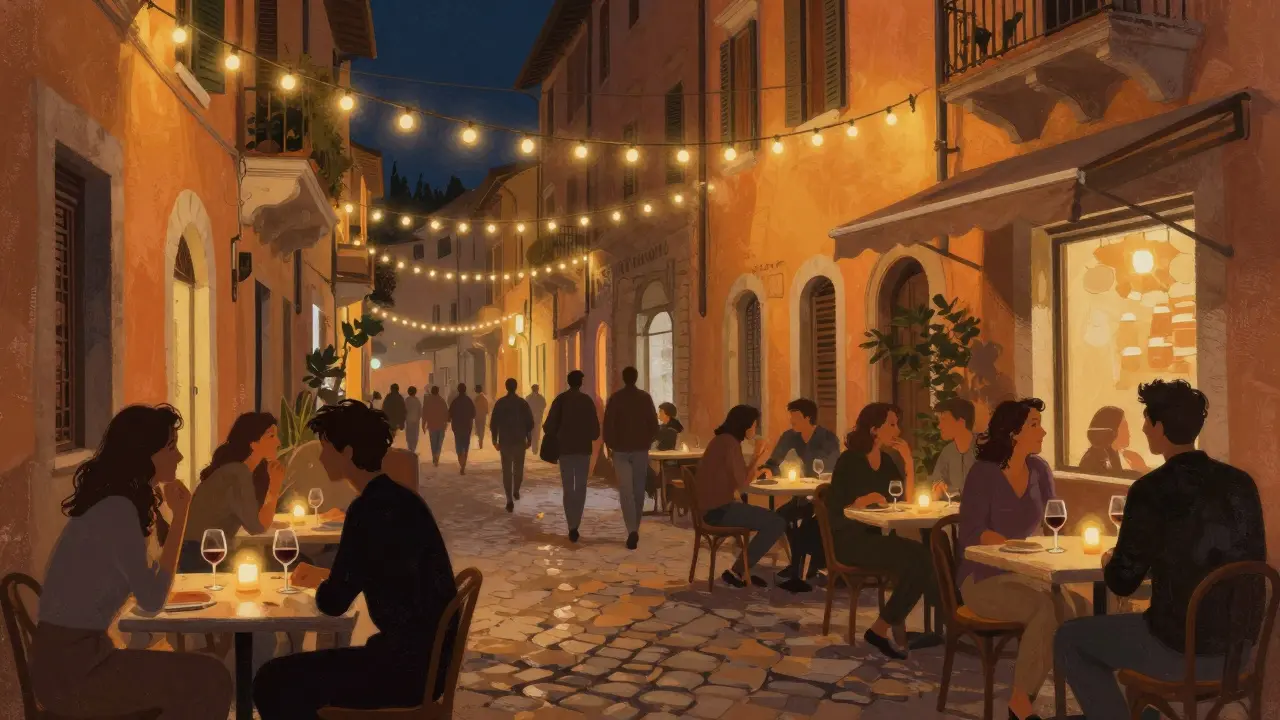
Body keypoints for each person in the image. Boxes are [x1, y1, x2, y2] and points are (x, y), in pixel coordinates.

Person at [1056, 380, 1267, 720]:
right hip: (1239, 652)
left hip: (1178, 652)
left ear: (1159, 427)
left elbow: (1122, 582)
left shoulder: (1150, 490)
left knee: (1070, 638)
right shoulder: (1241, 484)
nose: (1142, 428)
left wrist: (1112, 560)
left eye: (1146, 421)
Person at [253, 401, 458, 718]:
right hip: (428, 663)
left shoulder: (367, 511)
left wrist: (325, 583)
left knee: (271, 681)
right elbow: (380, 572)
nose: (321, 457)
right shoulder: (401, 500)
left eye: (326, 449)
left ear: (347, 452)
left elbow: (333, 603)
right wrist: (327, 575)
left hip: (404, 672)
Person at [30, 404, 232, 719]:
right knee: (211, 678)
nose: (178, 457)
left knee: (204, 675)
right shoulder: (118, 511)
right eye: (170, 448)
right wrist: (181, 518)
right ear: (143, 454)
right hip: (76, 674)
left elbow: (145, 584)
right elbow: (152, 599)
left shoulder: (120, 506)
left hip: (75, 661)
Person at [957, 398, 1088, 720]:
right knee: (1048, 608)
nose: (1043, 431)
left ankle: (1098, 701)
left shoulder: (1039, 469)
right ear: (1013, 432)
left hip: (1028, 573)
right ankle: (1020, 703)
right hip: (982, 578)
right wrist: (1014, 549)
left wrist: (1050, 548)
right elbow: (972, 533)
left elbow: (1054, 519)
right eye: (1034, 424)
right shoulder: (983, 473)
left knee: (1084, 608)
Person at [826, 403, 940, 659]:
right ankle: (884, 629)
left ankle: (883, 628)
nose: (897, 429)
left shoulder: (887, 460)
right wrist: (859, 502)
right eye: (892, 424)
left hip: (876, 538)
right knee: (922, 559)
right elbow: (835, 510)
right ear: (874, 429)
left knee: (924, 557)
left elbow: (905, 500)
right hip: (849, 541)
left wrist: (908, 462)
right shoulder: (849, 460)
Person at [693, 405, 783, 588]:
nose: (755, 430)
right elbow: (743, 484)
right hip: (717, 511)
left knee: (771, 519)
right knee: (777, 522)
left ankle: (744, 570)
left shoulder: (722, 441)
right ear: (745, 425)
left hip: (711, 508)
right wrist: (757, 455)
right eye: (754, 425)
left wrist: (755, 466)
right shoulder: (729, 444)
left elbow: (738, 480)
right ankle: (738, 570)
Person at [181, 412, 284, 571]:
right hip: (201, 558)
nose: (278, 442)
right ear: (253, 443)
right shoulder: (237, 473)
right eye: (271, 436)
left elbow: (250, 518)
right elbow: (257, 527)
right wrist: (275, 487)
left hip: (201, 551)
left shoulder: (237, 470)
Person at [763, 398, 842, 593]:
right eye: (791, 416)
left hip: (825, 497)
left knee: (807, 522)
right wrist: (768, 470)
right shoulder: (790, 436)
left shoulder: (827, 438)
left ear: (808, 418)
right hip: (803, 495)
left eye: (795, 416)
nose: (792, 421)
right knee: (782, 517)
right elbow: (774, 460)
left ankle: (805, 567)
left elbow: (832, 468)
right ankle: (798, 566)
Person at [603, 366, 660, 550]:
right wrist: (647, 441)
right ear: (636, 378)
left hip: (620, 451)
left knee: (625, 491)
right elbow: (654, 424)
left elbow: (608, 425)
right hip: (640, 450)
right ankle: (635, 526)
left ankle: (631, 530)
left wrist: (611, 445)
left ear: (623, 378)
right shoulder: (645, 398)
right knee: (638, 489)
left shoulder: (615, 399)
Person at [543, 370, 600, 542]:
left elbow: (548, 426)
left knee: (568, 487)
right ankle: (576, 523)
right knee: (581, 487)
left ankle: (571, 525)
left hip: (565, 450)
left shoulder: (560, 400)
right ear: (580, 383)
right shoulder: (586, 401)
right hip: (583, 450)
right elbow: (595, 431)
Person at [490, 378, 535, 512]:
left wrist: (494, 440)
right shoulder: (522, 403)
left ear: (506, 387)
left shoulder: (500, 403)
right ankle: (516, 489)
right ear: (516, 387)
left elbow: (494, 423)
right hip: (519, 441)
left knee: (506, 470)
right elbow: (529, 423)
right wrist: (529, 438)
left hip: (505, 441)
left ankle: (509, 498)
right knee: (518, 468)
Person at [1078, 405, 1149, 475]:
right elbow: (1112, 480)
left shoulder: (1114, 454)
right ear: (1112, 431)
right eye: (1124, 428)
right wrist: (1140, 472)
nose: (1129, 434)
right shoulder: (1094, 459)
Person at [930, 397, 978, 498]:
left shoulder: (985, 448)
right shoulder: (947, 452)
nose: (939, 426)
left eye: (944, 420)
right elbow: (937, 482)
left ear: (961, 422)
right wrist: (938, 486)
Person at [448, 383, 476, 474]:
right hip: (467, 427)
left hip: (457, 427)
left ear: (458, 390)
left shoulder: (455, 401)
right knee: (466, 445)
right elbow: (473, 414)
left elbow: (449, 415)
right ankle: (464, 463)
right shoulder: (469, 401)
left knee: (459, 445)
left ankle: (461, 463)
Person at [422, 385, 449, 467]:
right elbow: (446, 413)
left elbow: (424, 414)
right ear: (438, 391)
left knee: (433, 442)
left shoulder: (428, 401)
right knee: (439, 442)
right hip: (441, 425)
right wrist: (446, 423)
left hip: (432, 425)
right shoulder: (442, 401)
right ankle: (437, 455)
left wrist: (423, 425)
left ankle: (434, 456)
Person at [527, 384, 547, 456]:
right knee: (533, 433)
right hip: (531, 418)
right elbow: (526, 407)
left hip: (537, 418)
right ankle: (534, 447)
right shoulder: (529, 398)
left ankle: (535, 448)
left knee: (536, 433)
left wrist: (539, 411)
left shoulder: (540, 398)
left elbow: (544, 405)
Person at [403, 386, 423, 454]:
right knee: (415, 435)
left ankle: (410, 447)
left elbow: (404, 411)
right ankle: (413, 449)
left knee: (409, 435)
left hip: (408, 421)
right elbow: (420, 411)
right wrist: (418, 417)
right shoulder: (417, 401)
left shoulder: (406, 400)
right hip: (415, 421)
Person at [473, 385, 490, 450]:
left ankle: (480, 438)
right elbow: (487, 408)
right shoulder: (484, 398)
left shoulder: (476, 398)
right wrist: (486, 412)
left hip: (477, 416)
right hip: (483, 416)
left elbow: (474, 407)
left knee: (478, 428)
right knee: (482, 428)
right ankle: (481, 439)